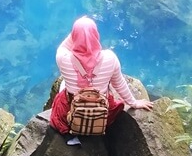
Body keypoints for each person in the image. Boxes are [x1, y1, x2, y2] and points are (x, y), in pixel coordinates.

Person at [49, 16, 153, 144]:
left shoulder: (63, 58)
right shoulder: (110, 58)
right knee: (110, 95)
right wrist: (134, 103)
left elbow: (63, 47)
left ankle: (72, 135)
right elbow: (119, 84)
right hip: (101, 114)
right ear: (96, 35)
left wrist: (78, 33)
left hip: (71, 112)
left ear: (73, 36)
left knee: (63, 85)